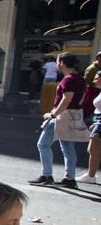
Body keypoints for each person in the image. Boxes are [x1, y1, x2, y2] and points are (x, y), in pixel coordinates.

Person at [31, 52, 85, 188]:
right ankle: (69, 178)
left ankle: (47, 175)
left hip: (62, 116)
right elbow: (82, 98)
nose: (56, 64)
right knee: (68, 148)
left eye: (57, 61)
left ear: (61, 62)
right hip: (74, 114)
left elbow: (67, 99)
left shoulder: (67, 80)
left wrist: (53, 114)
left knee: (43, 144)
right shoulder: (79, 78)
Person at [82, 73, 101, 184]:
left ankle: (90, 175)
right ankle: (91, 174)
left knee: (93, 150)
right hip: (98, 121)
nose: (94, 81)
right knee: (94, 150)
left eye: (96, 79)